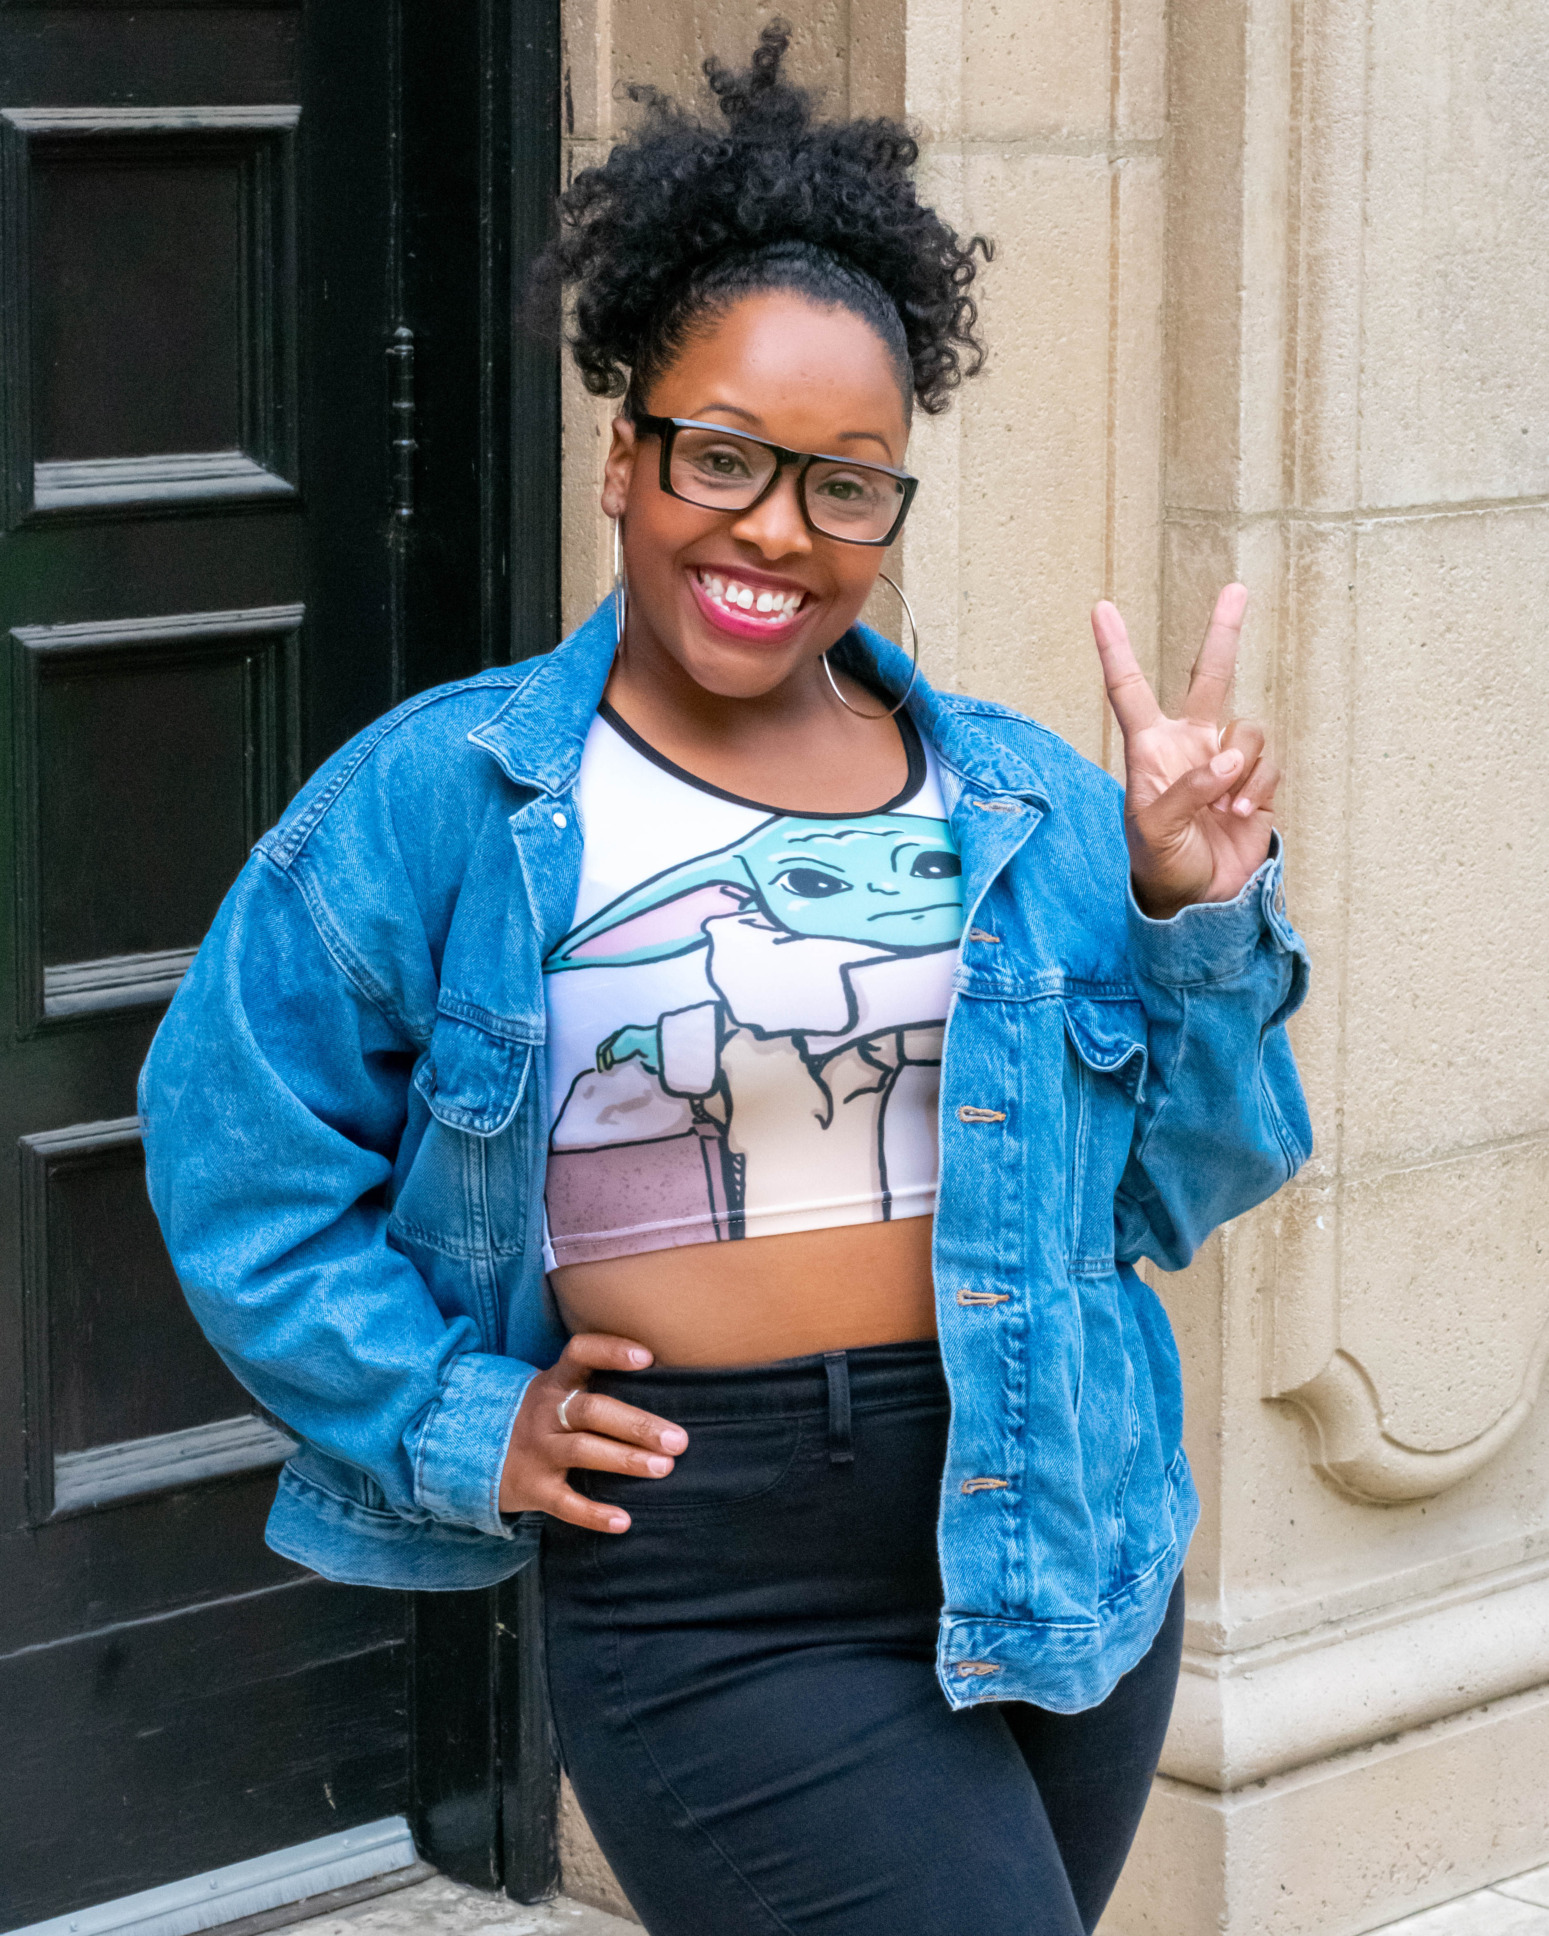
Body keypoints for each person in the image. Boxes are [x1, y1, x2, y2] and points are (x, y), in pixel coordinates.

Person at [139, 25, 1310, 1935]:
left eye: (847, 484)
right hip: (706, 1574)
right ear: (624, 454)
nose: (777, 526)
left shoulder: (1022, 800)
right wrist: (459, 1415)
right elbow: (233, 1150)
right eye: (724, 456)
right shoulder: (451, 796)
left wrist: (1189, 914)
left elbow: (1187, 1186)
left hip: (1056, 1515)